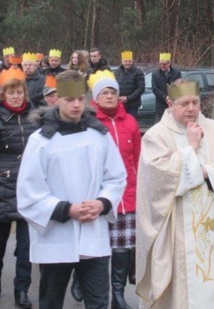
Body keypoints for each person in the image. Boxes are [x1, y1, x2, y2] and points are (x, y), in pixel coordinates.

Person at [16, 70, 127, 309]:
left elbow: (116, 176)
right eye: (69, 99)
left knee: (98, 302)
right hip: (57, 235)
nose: (76, 105)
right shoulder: (41, 141)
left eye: (80, 99)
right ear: (56, 99)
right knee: (51, 302)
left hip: (93, 233)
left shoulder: (99, 136)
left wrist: (102, 203)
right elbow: (28, 192)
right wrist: (67, 210)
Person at [135, 80, 214, 309]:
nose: (191, 109)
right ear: (170, 103)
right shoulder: (157, 136)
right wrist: (191, 148)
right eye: (184, 103)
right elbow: (157, 180)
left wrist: (209, 171)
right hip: (178, 230)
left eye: (195, 102)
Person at [0, 67, 38, 308]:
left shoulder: (33, 116)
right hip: (1, 184)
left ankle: (21, 289)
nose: (15, 96)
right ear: (3, 94)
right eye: (11, 92)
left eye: (19, 92)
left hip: (27, 187)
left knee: (25, 245)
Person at [88, 71, 141, 309]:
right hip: (98, 195)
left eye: (113, 92)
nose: (109, 96)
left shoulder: (130, 122)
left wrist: (139, 185)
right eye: (104, 93)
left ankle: (117, 295)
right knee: (97, 246)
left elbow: (138, 158)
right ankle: (82, 281)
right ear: (96, 97)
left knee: (123, 247)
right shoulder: (89, 122)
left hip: (127, 194)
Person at [150, 53, 181, 123]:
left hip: (174, 103)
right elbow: (155, 88)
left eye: (164, 64)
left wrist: (172, 97)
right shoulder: (155, 74)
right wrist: (165, 97)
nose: (162, 66)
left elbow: (179, 86)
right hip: (161, 105)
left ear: (169, 63)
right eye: (160, 64)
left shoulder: (176, 73)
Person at [113, 51, 145, 119]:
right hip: (120, 105)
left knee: (130, 123)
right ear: (122, 61)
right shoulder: (116, 72)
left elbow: (141, 88)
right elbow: (113, 87)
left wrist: (128, 98)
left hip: (133, 106)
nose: (127, 63)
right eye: (126, 61)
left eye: (129, 61)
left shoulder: (138, 72)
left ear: (132, 61)